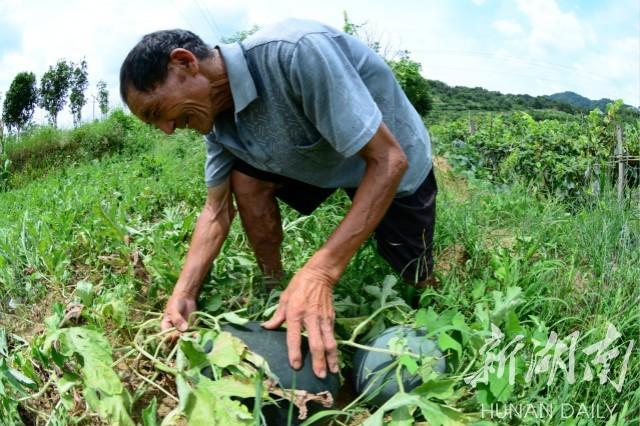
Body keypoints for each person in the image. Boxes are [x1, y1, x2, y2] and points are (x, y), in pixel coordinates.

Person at [119, 18, 437, 380]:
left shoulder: (295, 52)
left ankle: (425, 302)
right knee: (244, 177)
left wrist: (320, 272)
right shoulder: (216, 122)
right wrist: (184, 291)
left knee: (415, 278)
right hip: (311, 156)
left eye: (156, 112)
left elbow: (389, 160)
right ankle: (276, 287)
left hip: (389, 156)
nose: (166, 130)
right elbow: (215, 210)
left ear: (185, 63)